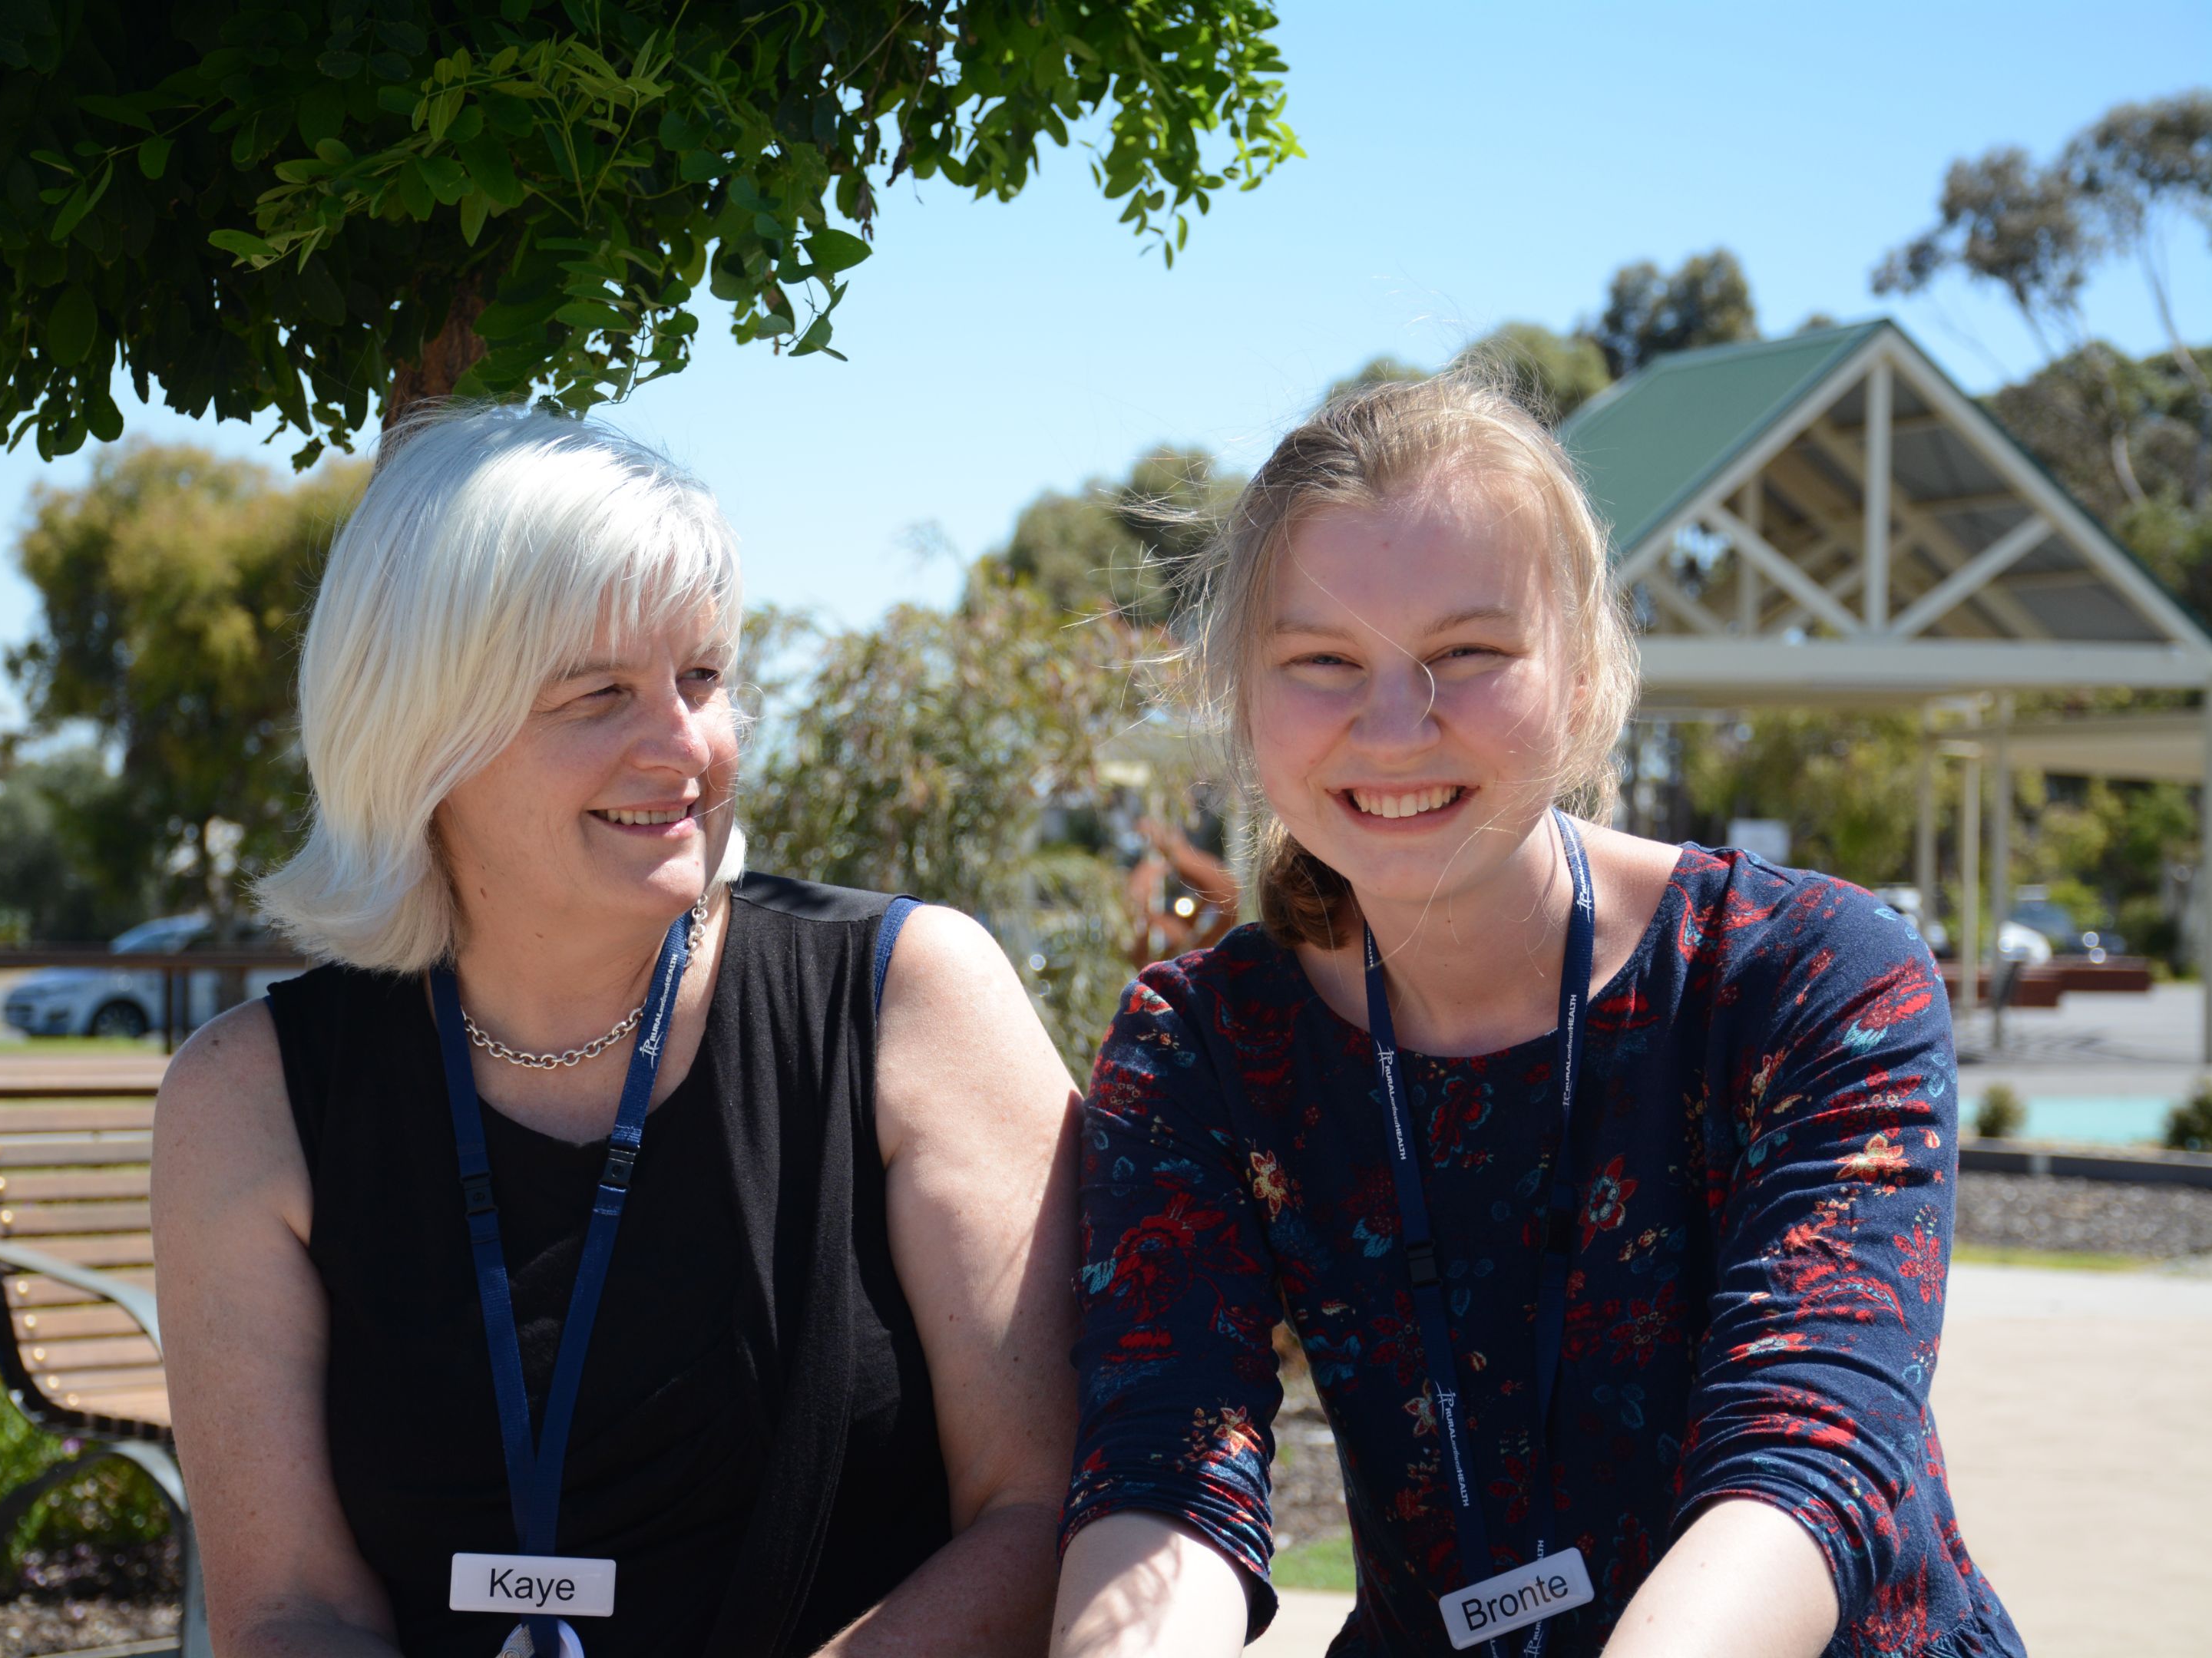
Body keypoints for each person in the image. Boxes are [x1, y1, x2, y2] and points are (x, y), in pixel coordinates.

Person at [1049, 375, 2022, 1658]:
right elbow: (1166, 1470)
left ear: (1582, 672)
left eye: (1467, 655)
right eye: (1323, 663)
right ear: (1241, 693)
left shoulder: (1806, 980)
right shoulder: (1207, 1044)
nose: (1395, 727)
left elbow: (1809, 1456)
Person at [153, 406, 1080, 1658]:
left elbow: (1043, 1508)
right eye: (599, 696)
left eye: (701, 678)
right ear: (420, 738)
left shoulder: (909, 996)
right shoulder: (247, 1100)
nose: (685, 747)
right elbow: (289, 1608)